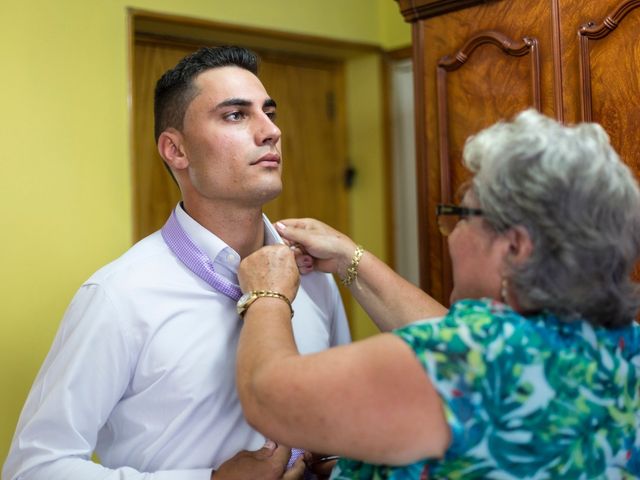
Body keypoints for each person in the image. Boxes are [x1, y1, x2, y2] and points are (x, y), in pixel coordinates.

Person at [3, 46, 350, 480]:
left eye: (270, 112)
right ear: (176, 150)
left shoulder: (313, 276)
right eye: (236, 115)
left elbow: (335, 416)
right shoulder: (120, 296)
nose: (270, 132)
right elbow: (33, 468)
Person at [234, 109, 640, 479]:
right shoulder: (625, 344)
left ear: (514, 247)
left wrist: (267, 292)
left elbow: (266, 397)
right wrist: (348, 258)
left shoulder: (469, 356)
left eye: (462, 216)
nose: (452, 235)